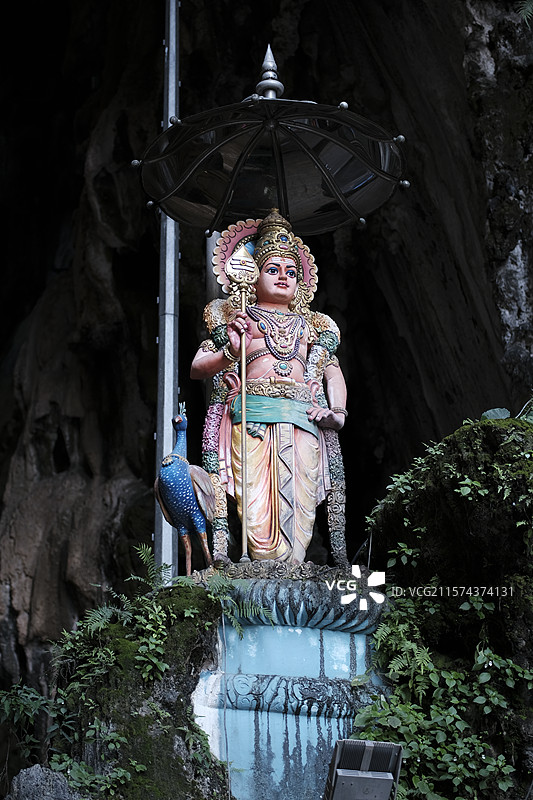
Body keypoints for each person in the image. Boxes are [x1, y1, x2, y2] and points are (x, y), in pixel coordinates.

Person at [191, 210, 348, 565]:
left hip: (303, 420)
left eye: (291, 272)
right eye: (272, 270)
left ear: (301, 284)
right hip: (253, 418)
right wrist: (231, 351)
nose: (282, 278)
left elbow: (332, 374)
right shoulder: (239, 320)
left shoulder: (310, 327)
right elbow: (197, 368)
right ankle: (262, 564)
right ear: (253, 275)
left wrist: (336, 412)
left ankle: (292, 565)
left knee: (300, 504)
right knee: (257, 502)